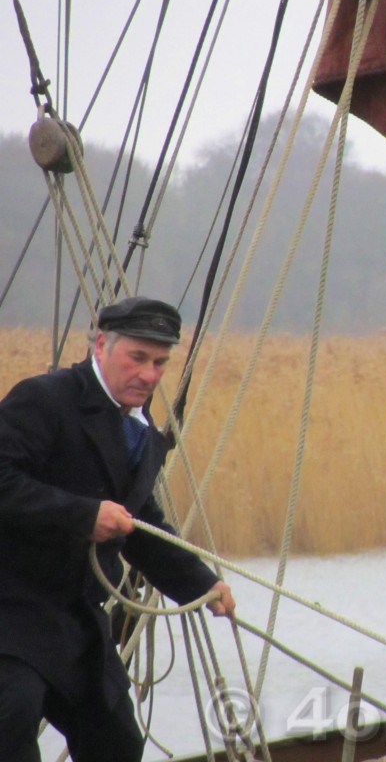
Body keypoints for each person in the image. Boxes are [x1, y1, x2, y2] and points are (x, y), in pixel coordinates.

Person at [0, 296, 236, 762]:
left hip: (78, 622)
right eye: (138, 358)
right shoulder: (45, 399)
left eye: (161, 363)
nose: (149, 375)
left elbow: (142, 524)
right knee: (12, 719)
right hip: (11, 611)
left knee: (117, 742)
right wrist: (84, 515)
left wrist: (202, 583)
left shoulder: (145, 433)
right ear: (102, 344)